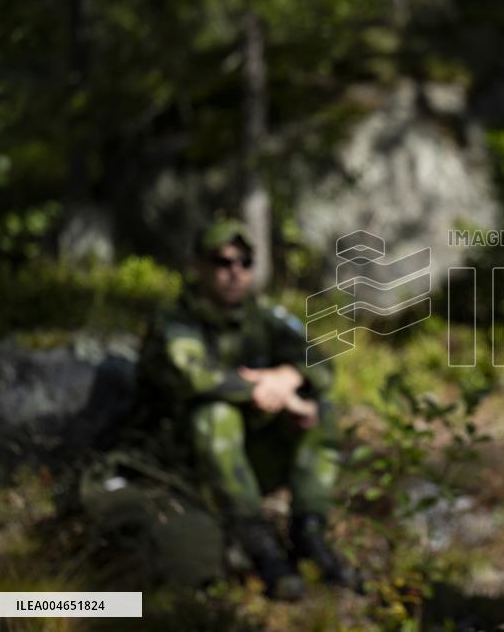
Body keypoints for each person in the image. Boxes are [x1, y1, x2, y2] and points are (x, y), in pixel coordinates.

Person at [136, 218, 356, 600]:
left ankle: (310, 533)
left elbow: (321, 362)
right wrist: (264, 390)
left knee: (320, 411)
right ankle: (257, 543)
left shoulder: (262, 316)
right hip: (181, 457)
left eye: (245, 262)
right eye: (222, 262)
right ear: (198, 266)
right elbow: (195, 377)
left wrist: (286, 377)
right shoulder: (176, 321)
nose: (235, 272)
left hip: (240, 458)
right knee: (216, 415)